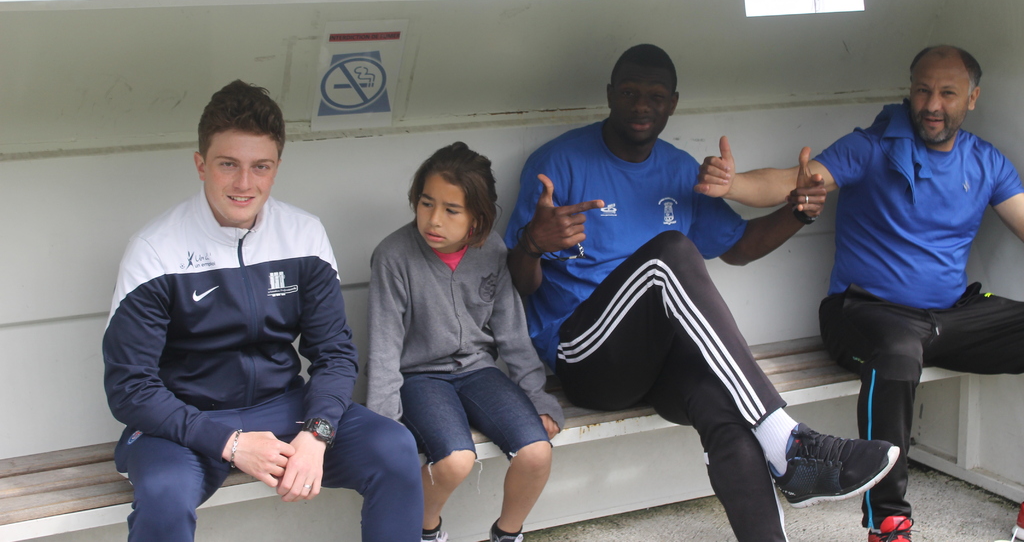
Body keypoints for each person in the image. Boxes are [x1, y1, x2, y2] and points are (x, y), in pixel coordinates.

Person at [503, 43, 899, 542]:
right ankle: (792, 443)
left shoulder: (678, 168)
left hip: (656, 362)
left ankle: (778, 489)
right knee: (669, 253)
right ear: (609, 94)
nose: (641, 105)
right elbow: (519, 285)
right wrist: (532, 244)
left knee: (725, 404)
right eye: (628, 92)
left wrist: (798, 212)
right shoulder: (558, 162)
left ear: (672, 103)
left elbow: (739, 247)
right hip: (585, 357)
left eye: (655, 96)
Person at [694, 45, 1024, 542]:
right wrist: (732, 184)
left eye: (947, 93)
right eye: (923, 91)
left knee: (912, 345)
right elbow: (789, 181)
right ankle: (887, 520)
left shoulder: (986, 162)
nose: (932, 105)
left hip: (949, 315)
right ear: (909, 91)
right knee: (897, 353)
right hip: (865, 313)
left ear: (972, 98)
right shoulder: (871, 148)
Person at [102, 80, 423, 542]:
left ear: (276, 168)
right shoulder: (155, 250)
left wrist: (317, 432)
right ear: (201, 164)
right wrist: (230, 443)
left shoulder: (303, 235)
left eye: (260, 166)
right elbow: (130, 388)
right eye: (228, 164)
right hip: (187, 422)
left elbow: (334, 354)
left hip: (284, 409)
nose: (244, 183)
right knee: (164, 494)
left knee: (394, 447)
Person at [367, 142, 564, 542]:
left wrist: (537, 396)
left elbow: (512, 332)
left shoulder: (492, 249)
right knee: (456, 460)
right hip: (420, 377)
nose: (433, 219)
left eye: (451, 210)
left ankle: (506, 535)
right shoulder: (393, 255)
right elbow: (384, 348)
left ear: (478, 216)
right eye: (426, 203)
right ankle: (425, 531)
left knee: (537, 451)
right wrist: (383, 425)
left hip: (478, 372)